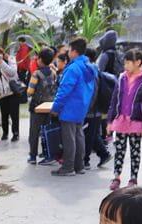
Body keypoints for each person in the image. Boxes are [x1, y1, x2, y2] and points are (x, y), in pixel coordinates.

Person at [107, 49, 142, 189]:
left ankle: (133, 179)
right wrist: (110, 121)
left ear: (138, 62)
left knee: (135, 151)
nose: (125, 65)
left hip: (136, 121)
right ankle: (116, 177)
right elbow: (114, 100)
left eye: (128, 62)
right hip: (121, 120)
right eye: (125, 62)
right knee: (119, 150)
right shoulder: (122, 77)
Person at [50, 37, 97, 175]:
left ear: (74, 51)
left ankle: (68, 167)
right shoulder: (89, 66)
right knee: (78, 136)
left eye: (69, 50)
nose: (68, 52)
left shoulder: (73, 68)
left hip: (69, 108)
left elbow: (63, 91)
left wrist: (56, 108)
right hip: (82, 106)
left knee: (69, 138)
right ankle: (79, 166)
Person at [83, 47, 113, 170]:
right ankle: (104, 154)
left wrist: (88, 108)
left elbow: (93, 92)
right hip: (96, 109)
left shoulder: (91, 71)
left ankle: (85, 161)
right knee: (93, 134)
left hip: (92, 109)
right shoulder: (95, 69)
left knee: (88, 135)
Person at [26, 47, 57, 164]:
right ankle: (47, 154)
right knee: (47, 131)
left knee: (34, 132)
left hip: (36, 107)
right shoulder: (53, 73)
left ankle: (33, 156)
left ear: (40, 59)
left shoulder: (36, 74)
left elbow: (30, 91)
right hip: (49, 106)